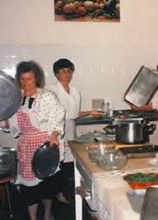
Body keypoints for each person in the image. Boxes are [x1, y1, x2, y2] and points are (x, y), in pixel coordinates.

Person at [9, 61, 65, 220]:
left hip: (44, 146)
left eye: (30, 79)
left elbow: (58, 117)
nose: (26, 83)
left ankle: (47, 213)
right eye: (22, 79)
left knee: (47, 186)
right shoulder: (16, 98)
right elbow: (11, 122)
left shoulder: (46, 97)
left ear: (36, 79)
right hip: (26, 147)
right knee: (29, 190)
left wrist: (54, 135)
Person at [48, 58, 102, 204]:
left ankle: (67, 191)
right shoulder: (51, 91)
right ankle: (56, 193)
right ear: (56, 73)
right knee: (57, 162)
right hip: (55, 128)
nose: (66, 74)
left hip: (70, 127)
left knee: (69, 161)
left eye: (69, 71)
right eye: (62, 71)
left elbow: (75, 113)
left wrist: (91, 112)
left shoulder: (75, 91)